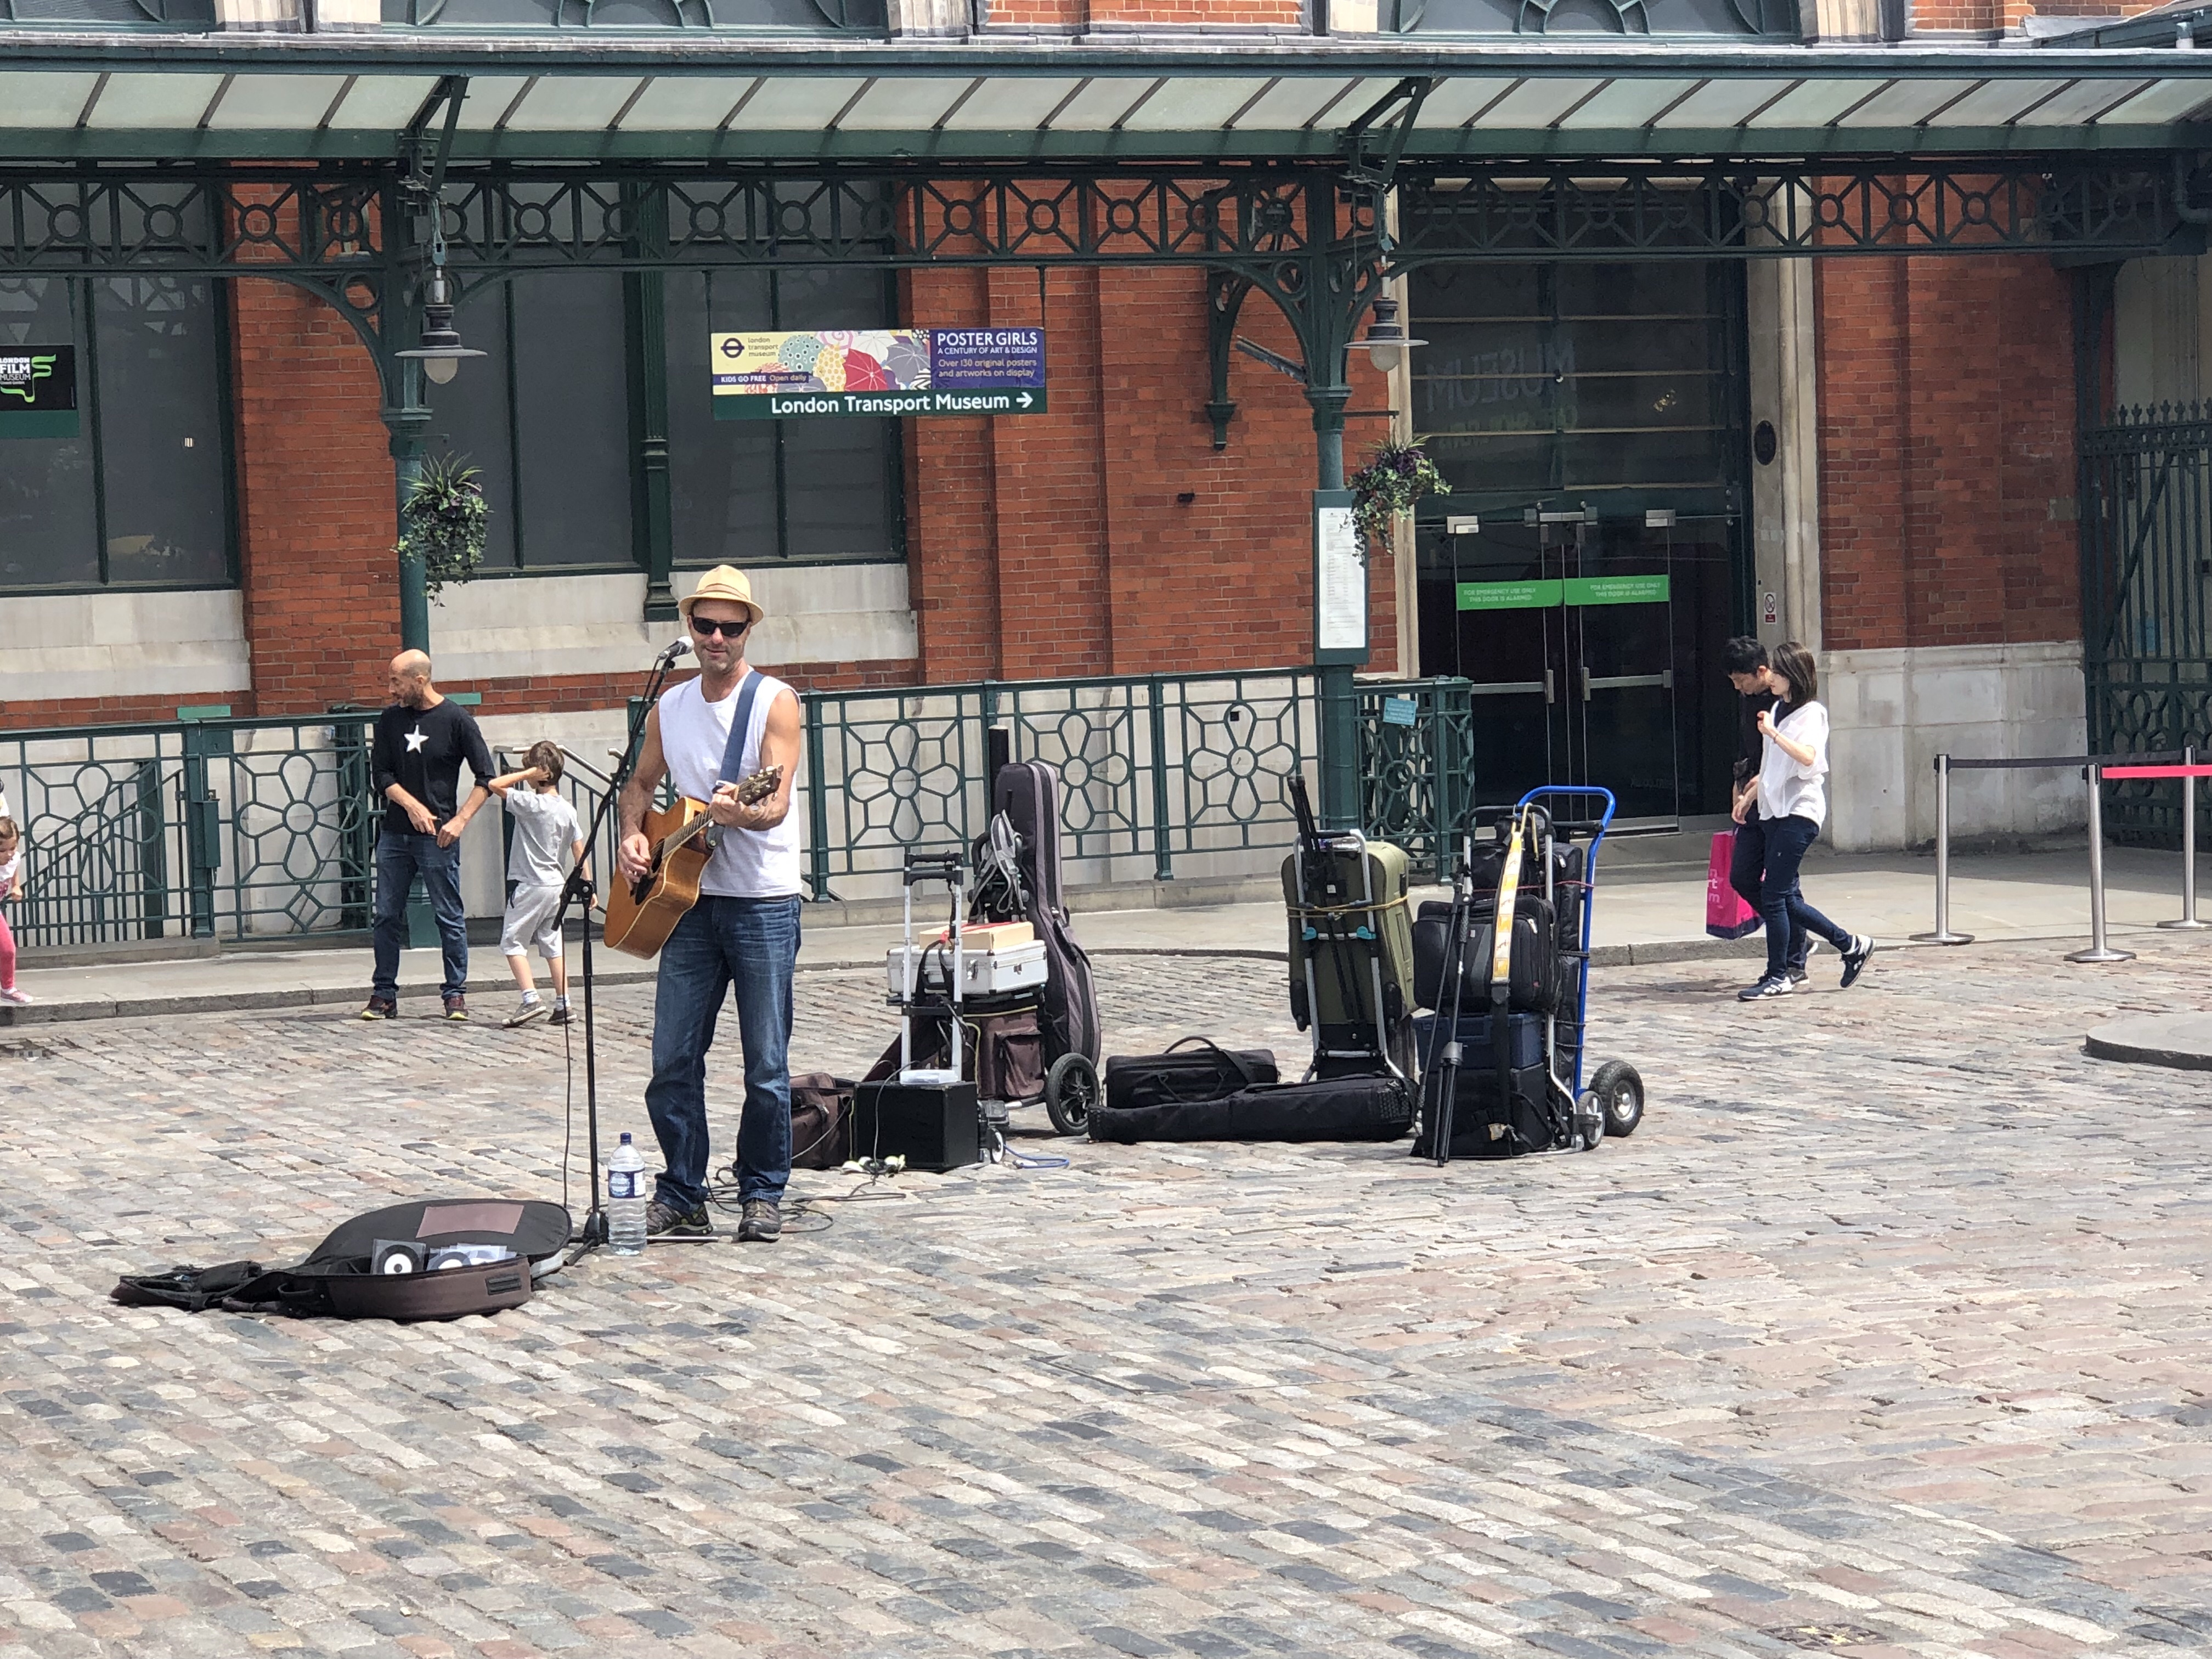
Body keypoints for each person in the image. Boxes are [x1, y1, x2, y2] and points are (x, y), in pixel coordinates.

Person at [617, 566, 802, 1245]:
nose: (717, 638)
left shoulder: (774, 701)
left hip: (761, 902)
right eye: (705, 625)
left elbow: (775, 802)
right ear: (689, 628)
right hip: (687, 904)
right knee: (672, 1057)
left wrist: (740, 813)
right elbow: (640, 784)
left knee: (766, 1065)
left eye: (730, 627)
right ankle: (682, 1191)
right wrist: (633, 835)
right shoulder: (670, 706)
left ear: (749, 630)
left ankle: (762, 1192)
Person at [1733, 640, 1875, 1001]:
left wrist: (1774, 734)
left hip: (1801, 811)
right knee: (1785, 898)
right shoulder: (1777, 707)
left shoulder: (1812, 713)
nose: (1772, 677)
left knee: (1775, 894)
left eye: (1778, 673)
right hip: (1774, 809)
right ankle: (1851, 944)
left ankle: (1779, 974)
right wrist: (1749, 797)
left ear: (1793, 676)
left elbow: (1808, 757)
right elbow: (1770, 767)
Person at [362, 650, 496, 1023]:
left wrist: (460, 821)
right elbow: (381, 774)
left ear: (419, 680)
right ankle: (384, 993)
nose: (391, 690)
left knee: (448, 916)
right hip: (396, 834)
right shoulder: (390, 720)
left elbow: (486, 777)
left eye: (397, 682)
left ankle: (455, 994)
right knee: (386, 915)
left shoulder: (457, 720)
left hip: (439, 836)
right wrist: (411, 806)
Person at [1721, 635, 1812, 983]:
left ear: (1762, 671)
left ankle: (1794, 957)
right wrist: (1739, 785)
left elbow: (1793, 756)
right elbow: (1745, 746)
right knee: (1742, 875)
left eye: (1741, 680)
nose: (1738, 687)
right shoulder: (1747, 700)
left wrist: (1759, 783)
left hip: (1780, 799)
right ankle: (1793, 932)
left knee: (1783, 884)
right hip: (1753, 791)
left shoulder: (1785, 702)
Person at [487, 741, 587, 1029]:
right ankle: (564, 1002)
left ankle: (530, 998)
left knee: (512, 941)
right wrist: (587, 884)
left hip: (530, 885)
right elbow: (578, 849)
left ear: (539, 773)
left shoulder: (531, 804)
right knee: (552, 943)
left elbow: (494, 784)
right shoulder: (567, 809)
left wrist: (525, 773)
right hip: (557, 886)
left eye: (530, 769)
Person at [0, 817, 27, 1007]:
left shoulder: (14, 858)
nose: (9, 854)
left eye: (13, 847)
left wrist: (16, 887)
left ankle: (8, 989)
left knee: (8, 949)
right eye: (2, 851)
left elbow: (14, 869)